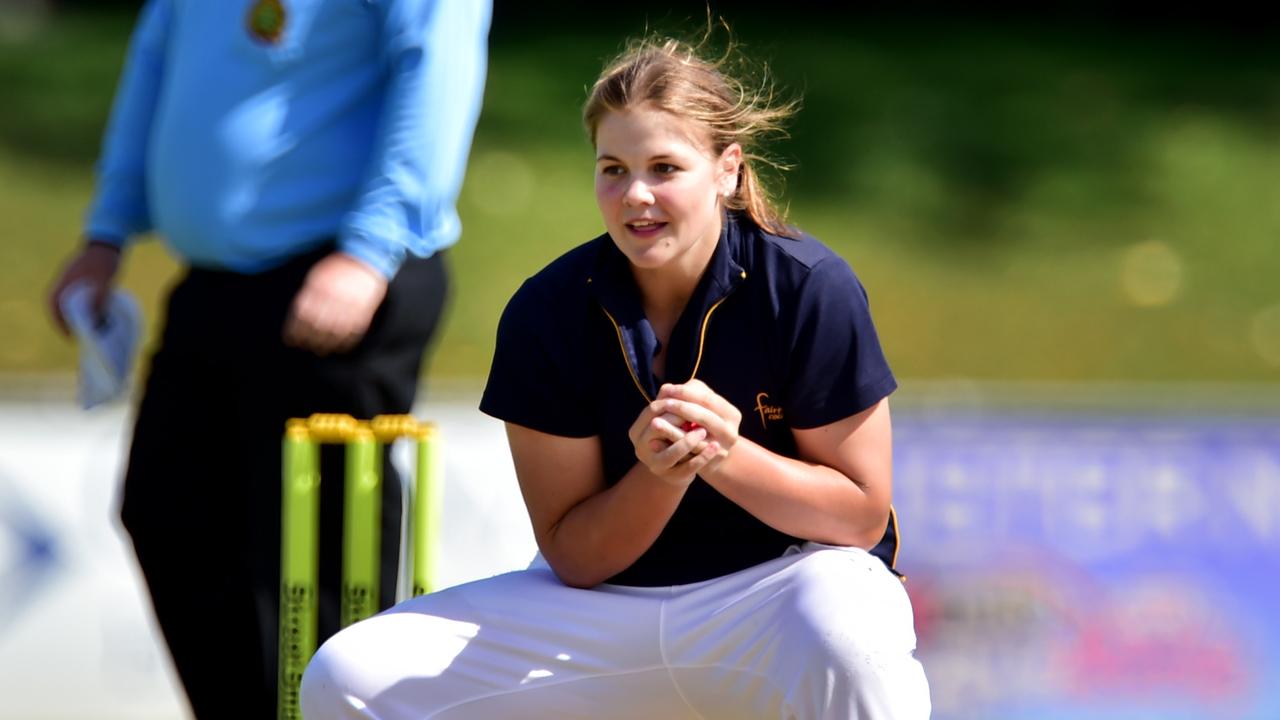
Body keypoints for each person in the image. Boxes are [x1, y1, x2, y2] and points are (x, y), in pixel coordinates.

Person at [301, 28, 930, 720]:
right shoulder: (546, 310)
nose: (636, 195)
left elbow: (859, 514)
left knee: (853, 638)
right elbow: (575, 555)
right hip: (599, 611)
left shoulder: (811, 287)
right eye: (613, 169)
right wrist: (660, 475)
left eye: (665, 168)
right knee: (345, 674)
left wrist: (724, 454)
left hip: (779, 598)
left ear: (727, 170)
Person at [45, 1, 491, 717]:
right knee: (167, 513)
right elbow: (159, 63)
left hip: (345, 280)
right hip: (217, 286)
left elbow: (436, 67)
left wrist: (369, 251)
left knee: (319, 565)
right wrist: (106, 232)